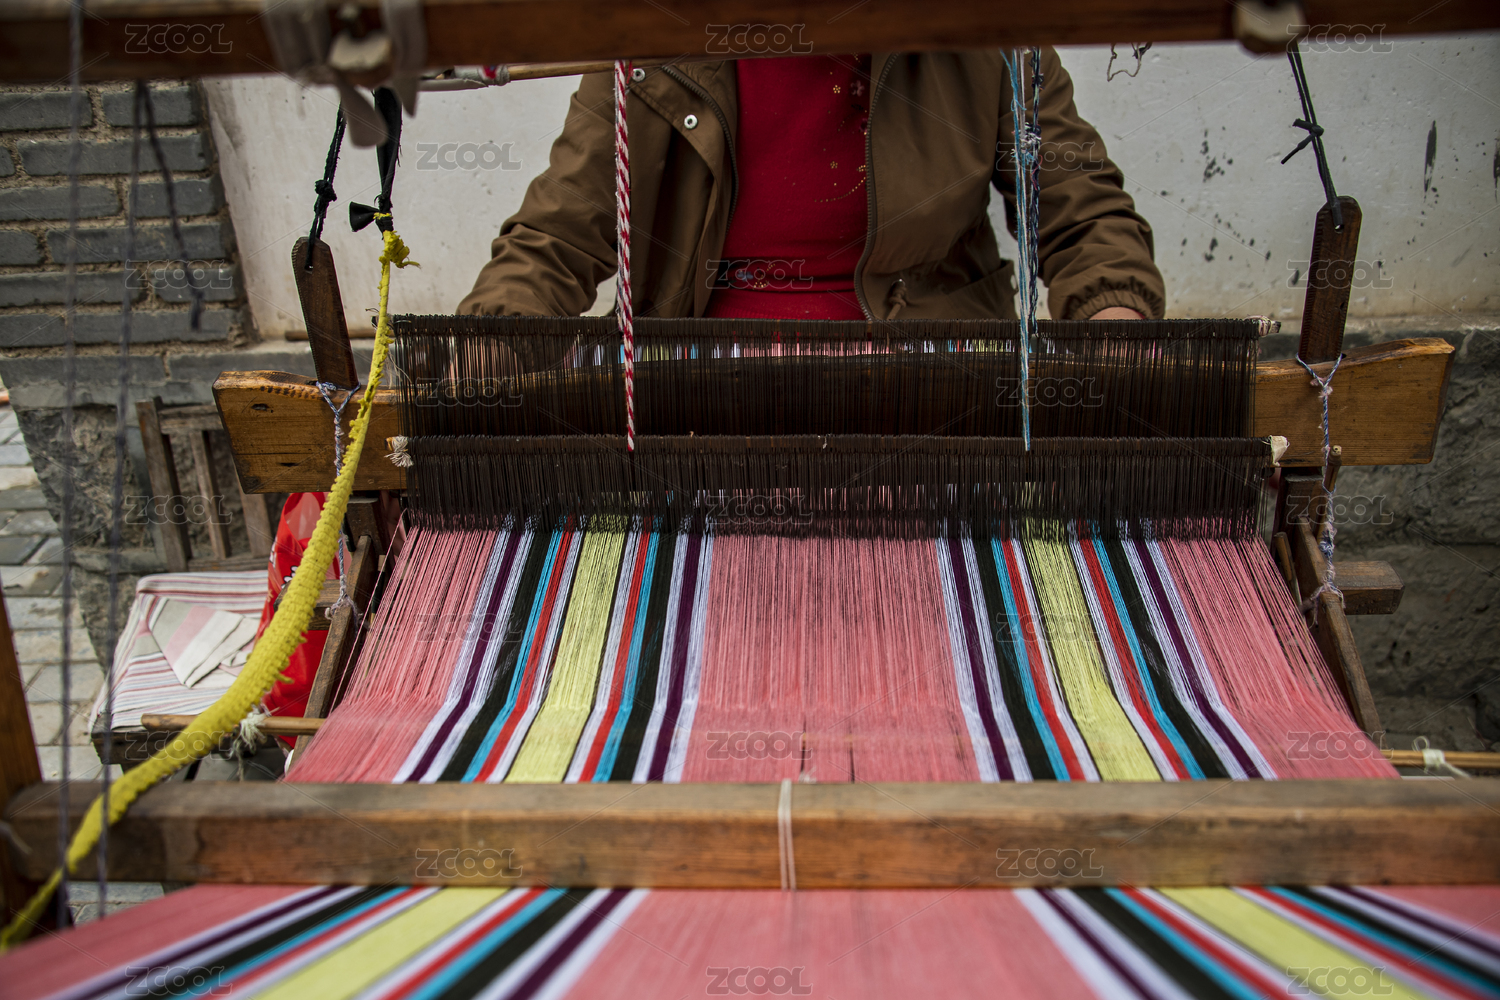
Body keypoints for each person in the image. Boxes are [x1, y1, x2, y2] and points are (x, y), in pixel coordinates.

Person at [458, 50, 1163, 324]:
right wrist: (492, 346)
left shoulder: (979, 35)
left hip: (933, 397)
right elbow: (560, 234)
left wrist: (1113, 317)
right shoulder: (654, 40)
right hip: (702, 405)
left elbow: (1081, 211)